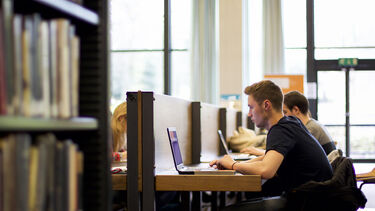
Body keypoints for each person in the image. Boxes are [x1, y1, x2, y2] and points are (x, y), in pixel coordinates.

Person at [209, 80, 333, 210]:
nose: (249, 113)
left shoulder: (280, 130)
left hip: (308, 203)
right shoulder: (291, 122)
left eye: (251, 107)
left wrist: (234, 165)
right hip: (317, 199)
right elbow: (267, 158)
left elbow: (266, 170)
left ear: (266, 105)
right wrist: (232, 163)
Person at [283, 90, 336, 155]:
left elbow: (297, 153)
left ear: (296, 110)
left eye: (285, 112)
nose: (284, 116)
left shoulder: (311, 128)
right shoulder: (311, 125)